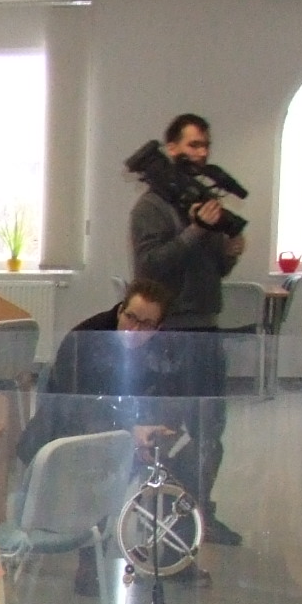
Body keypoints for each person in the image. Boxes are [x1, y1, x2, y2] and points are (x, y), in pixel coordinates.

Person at [17, 273, 188, 595]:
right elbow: (76, 408)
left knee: (185, 458)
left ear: (159, 328)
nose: (134, 330)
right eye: (130, 318)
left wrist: (159, 428)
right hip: (68, 437)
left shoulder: (165, 349)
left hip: (125, 434)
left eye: (146, 325)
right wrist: (129, 432)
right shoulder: (86, 339)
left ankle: (175, 552)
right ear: (120, 309)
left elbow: (173, 397)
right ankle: (90, 562)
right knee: (105, 465)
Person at [127, 112, 245, 544]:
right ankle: (164, 517)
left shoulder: (200, 203)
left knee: (210, 432)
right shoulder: (151, 208)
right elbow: (151, 267)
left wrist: (229, 251)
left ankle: (197, 513)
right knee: (168, 432)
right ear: (171, 147)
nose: (201, 153)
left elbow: (212, 270)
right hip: (171, 336)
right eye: (193, 145)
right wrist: (196, 230)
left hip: (206, 330)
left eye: (206, 146)